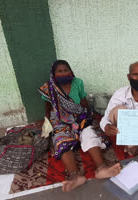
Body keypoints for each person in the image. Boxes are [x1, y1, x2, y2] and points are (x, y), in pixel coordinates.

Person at [38, 60, 121, 192]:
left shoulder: (77, 82)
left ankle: (101, 168)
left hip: (78, 115)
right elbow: (48, 105)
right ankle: (75, 175)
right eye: (60, 71)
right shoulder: (49, 87)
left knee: (89, 133)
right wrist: (47, 120)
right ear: (54, 74)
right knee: (60, 139)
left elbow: (83, 99)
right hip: (60, 118)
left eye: (66, 70)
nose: (64, 73)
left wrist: (89, 114)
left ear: (70, 71)